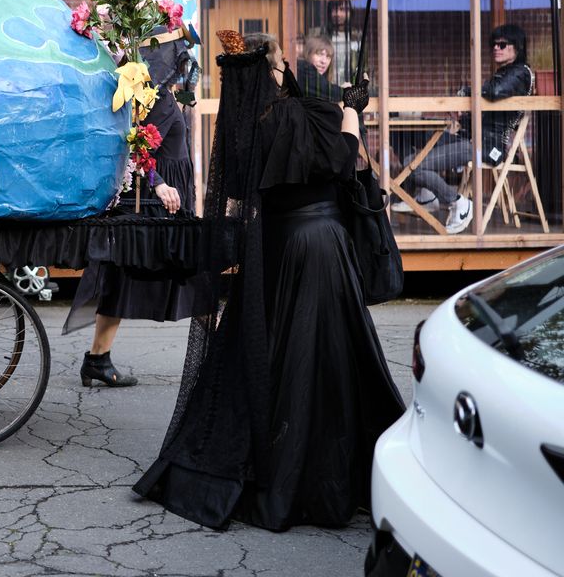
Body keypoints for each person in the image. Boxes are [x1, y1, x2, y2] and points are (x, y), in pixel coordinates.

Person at [132, 31, 403, 531]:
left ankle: (275, 457)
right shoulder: (308, 113)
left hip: (275, 249)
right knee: (327, 356)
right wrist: (352, 112)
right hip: (323, 246)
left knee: (278, 350)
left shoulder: (240, 133)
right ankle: (328, 472)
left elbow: (240, 189)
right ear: (275, 69)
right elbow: (347, 161)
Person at [65, 39, 202, 387]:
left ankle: (98, 358)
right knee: (127, 278)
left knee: (125, 278)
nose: (187, 71)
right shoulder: (155, 101)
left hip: (165, 198)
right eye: (182, 63)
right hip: (157, 203)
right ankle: (98, 358)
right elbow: (139, 148)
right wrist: (159, 184)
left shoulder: (157, 97)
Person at [396, 23, 534, 234]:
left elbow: (495, 91)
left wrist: (466, 92)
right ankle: (426, 196)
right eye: (493, 44)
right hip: (468, 138)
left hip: (488, 146)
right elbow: (487, 108)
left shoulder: (521, 73)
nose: (496, 48)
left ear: (518, 47)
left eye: (502, 44)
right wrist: (463, 112)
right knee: (405, 133)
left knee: (415, 166)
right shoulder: (503, 74)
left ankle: (459, 203)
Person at [295, 33, 343, 102]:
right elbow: (333, 92)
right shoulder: (303, 70)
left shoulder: (322, 81)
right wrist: (348, 90)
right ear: (308, 53)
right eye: (320, 54)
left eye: (328, 56)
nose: (324, 61)